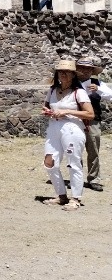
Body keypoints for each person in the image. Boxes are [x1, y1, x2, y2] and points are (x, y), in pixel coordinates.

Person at [42, 59, 93, 209]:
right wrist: (47, 111)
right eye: (60, 72)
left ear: (73, 75)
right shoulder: (52, 90)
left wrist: (67, 111)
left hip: (72, 129)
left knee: (73, 163)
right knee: (49, 162)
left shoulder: (79, 92)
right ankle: (61, 195)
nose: (63, 74)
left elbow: (90, 114)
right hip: (54, 128)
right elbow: (46, 106)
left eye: (67, 72)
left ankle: (75, 198)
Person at [76, 57, 110, 192]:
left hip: (93, 121)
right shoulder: (71, 83)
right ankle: (76, 179)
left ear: (92, 71)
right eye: (82, 68)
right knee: (75, 151)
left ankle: (94, 179)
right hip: (75, 121)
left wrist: (98, 90)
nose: (85, 71)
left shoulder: (98, 83)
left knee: (93, 150)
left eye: (88, 69)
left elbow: (111, 95)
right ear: (77, 69)